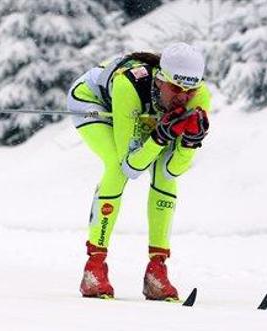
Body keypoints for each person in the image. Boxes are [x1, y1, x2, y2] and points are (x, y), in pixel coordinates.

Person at [67, 42, 211, 300]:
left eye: (190, 90)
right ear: (160, 80)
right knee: (115, 166)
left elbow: (172, 170)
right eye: (176, 88)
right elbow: (131, 166)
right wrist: (160, 136)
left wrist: (190, 143)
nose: (183, 97)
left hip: (144, 113)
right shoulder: (129, 85)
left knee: (164, 178)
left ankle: (158, 270)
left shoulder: (200, 97)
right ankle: (94, 267)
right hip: (94, 102)